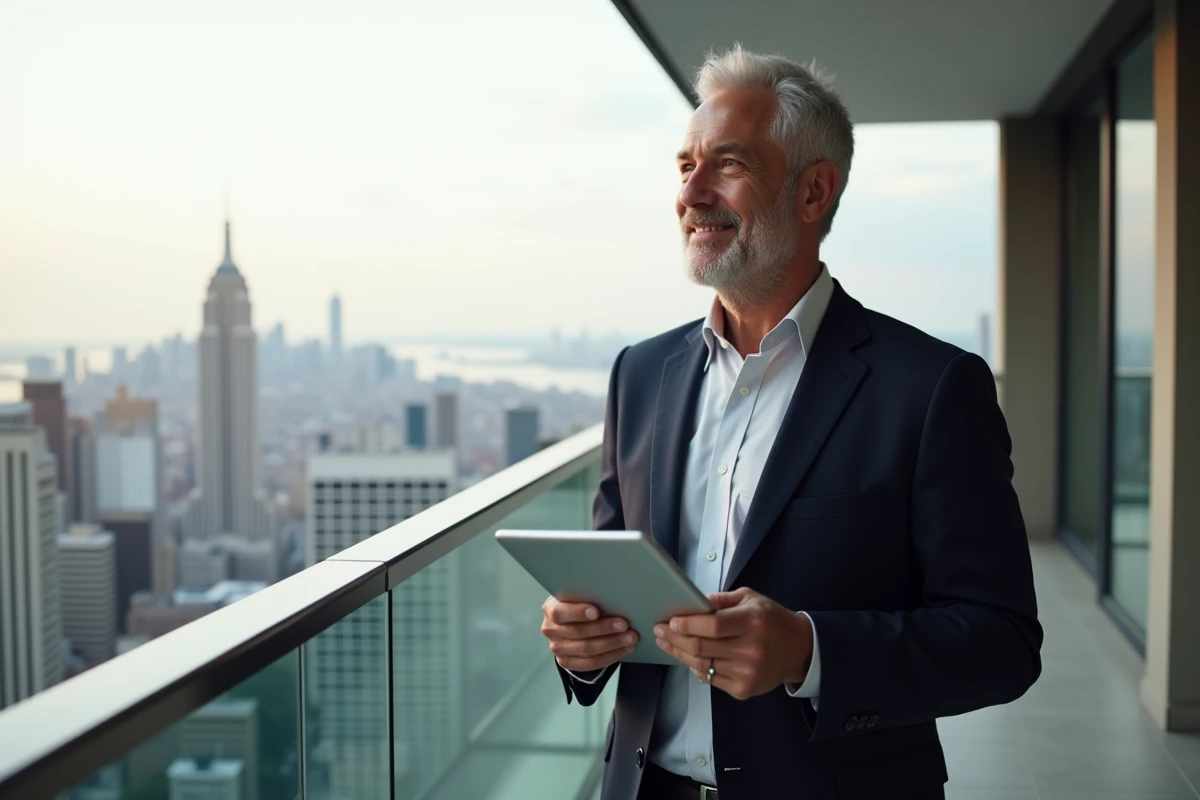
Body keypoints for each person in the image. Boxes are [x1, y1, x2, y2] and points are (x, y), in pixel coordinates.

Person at [539, 44, 1043, 800]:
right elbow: (614, 593)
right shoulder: (638, 376)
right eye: (685, 166)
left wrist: (810, 651)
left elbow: (1001, 641)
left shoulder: (932, 388)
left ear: (814, 191)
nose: (691, 194)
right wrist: (583, 645)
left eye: (728, 164)